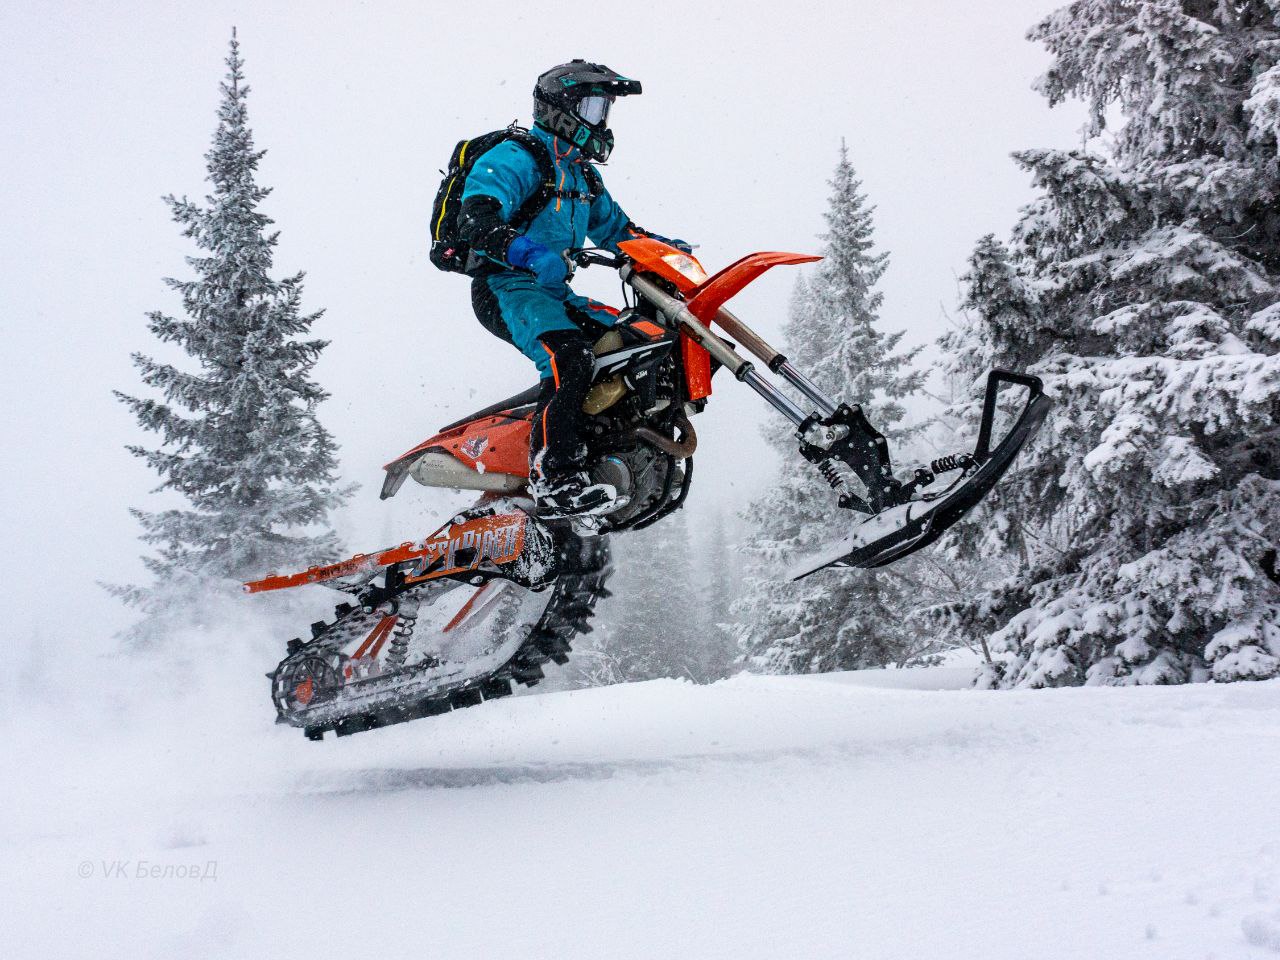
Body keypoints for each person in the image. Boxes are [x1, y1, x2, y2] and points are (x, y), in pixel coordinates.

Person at [457, 59, 687, 518]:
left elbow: (619, 231)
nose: (601, 120)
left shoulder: (583, 177)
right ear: (561, 109)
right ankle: (554, 476)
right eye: (594, 108)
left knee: (642, 341)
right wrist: (526, 253)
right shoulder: (517, 157)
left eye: (605, 110)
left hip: (554, 294)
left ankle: (617, 451)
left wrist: (664, 252)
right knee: (570, 358)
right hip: (507, 287)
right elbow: (475, 219)